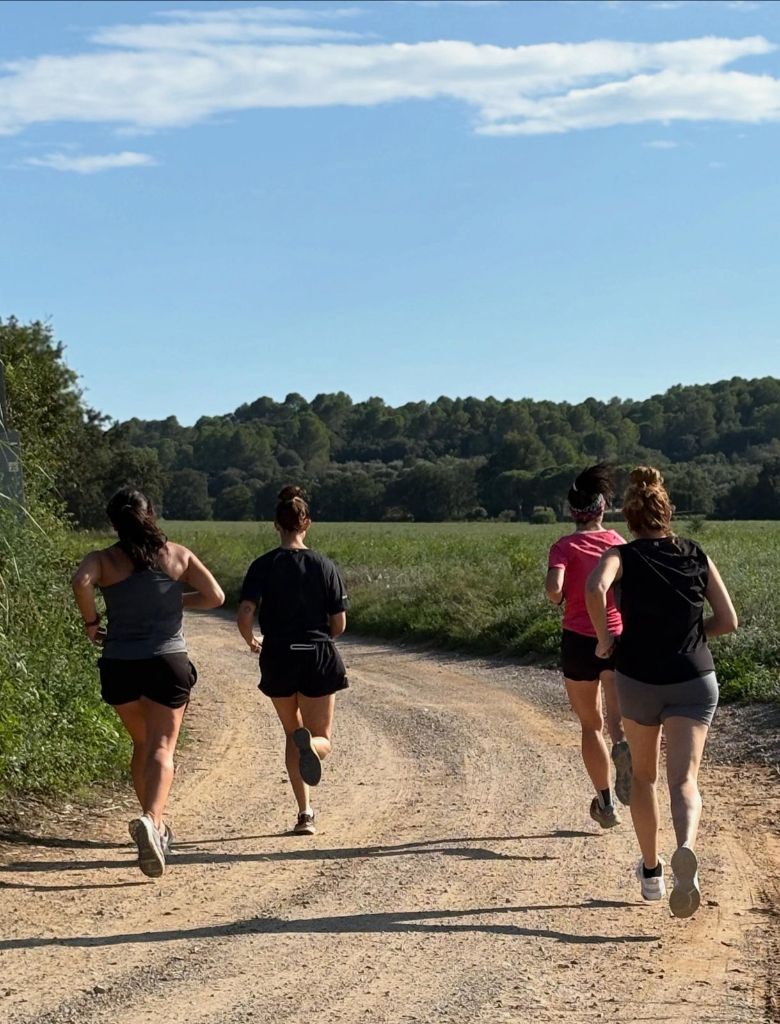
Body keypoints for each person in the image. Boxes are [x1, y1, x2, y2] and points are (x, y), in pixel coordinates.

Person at [586, 467, 737, 918]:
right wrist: (693, 636)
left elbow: (594, 588)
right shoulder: (696, 553)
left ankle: (652, 872)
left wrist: (604, 640)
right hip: (694, 676)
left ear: (630, 519)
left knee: (645, 778)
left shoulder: (621, 555)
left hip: (639, 678)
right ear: (667, 513)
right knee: (684, 780)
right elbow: (729, 620)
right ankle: (686, 847)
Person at [72, 488, 224, 878]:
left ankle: (151, 825)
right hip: (166, 662)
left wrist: (92, 623)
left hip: (120, 663)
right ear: (151, 514)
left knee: (141, 743)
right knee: (161, 746)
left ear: (114, 523)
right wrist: (174, 598)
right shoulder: (177, 555)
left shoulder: (103, 559)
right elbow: (216, 596)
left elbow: (80, 581)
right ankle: (153, 822)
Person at [237, 486, 348, 837]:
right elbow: (339, 624)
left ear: (276, 525)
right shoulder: (324, 565)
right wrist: (321, 640)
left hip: (278, 656)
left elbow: (244, 613)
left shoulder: (263, 565)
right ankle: (312, 748)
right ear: (307, 524)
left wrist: (252, 640)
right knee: (320, 739)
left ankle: (305, 813)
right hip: (316, 655)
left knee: (291, 733)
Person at [546, 463, 631, 829]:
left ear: (572, 511)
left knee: (589, 724)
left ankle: (606, 802)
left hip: (579, 641)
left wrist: (559, 596)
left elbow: (554, 590)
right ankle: (622, 745)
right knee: (616, 720)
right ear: (603, 508)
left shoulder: (564, 546)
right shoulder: (618, 543)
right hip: (616, 636)